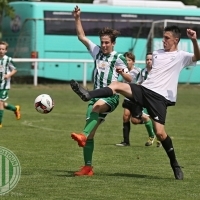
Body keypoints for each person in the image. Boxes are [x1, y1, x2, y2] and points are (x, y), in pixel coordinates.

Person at [70, 25, 200, 180]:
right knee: (116, 86)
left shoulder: (181, 56)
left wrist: (194, 40)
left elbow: (197, 57)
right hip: (145, 89)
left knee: (160, 133)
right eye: (163, 37)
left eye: (166, 38)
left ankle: (175, 164)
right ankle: (88, 94)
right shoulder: (157, 54)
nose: (163, 40)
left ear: (176, 40)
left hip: (159, 98)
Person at [70, 6, 131, 176]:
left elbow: (130, 79)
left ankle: (82, 135)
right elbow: (81, 36)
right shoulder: (96, 51)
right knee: (90, 135)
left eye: (107, 43)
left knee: (96, 108)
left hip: (110, 97)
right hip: (95, 97)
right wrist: (77, 18)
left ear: (113, 43)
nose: (104, 45)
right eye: (102, 42)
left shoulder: (118, 58)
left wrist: (122, 73)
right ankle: (88, 167)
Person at [116, 52, 160, 147]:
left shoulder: (138, 71)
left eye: (129, 60)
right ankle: (126, 141)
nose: (127, 62)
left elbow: (135, 81)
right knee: (125, 116)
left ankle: (155, 133)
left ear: (133, 62)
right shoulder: (127, 70)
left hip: (139, 98)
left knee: (136, 120)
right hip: (129, 98)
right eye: (125, 60)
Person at [0, 41, 21, 127]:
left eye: (3, 49)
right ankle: (15, 108)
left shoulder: (8, 59)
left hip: (4, 85)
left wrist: (8, 75)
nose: (1, 50)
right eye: (0, 49)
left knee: (0, 103)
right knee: (2, 104)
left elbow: (15, 69)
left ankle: (0, 123)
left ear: (6, 51)